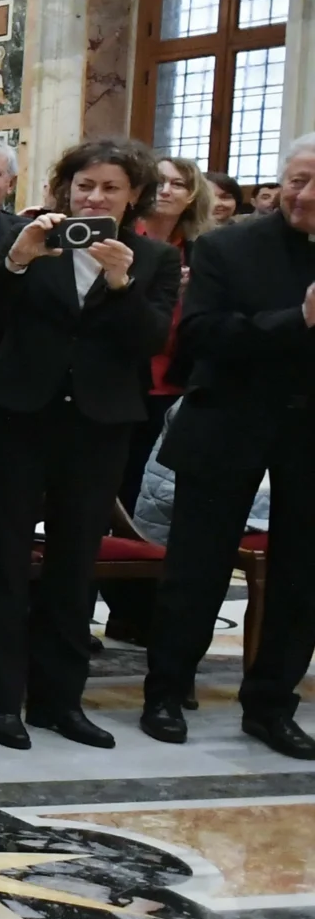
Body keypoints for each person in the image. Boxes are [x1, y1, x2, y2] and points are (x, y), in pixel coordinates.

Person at [0, 138, 180, 749]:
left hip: (99, 423)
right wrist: (14, 263)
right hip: (19, 415)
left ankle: (60, 700)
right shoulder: (32, 240)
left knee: (73, 564)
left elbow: (149, 341)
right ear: (66, 188)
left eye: (110, 188)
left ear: (133, 195)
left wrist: (121, 283)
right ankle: (0, 699)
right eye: (85, 185)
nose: (95, 197)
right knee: (5, 559)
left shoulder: (153, 259)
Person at [142, 137, 315, 758]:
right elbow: (201, 337)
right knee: (196, 569)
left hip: (309, 433)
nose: (305, 194)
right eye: (297, 179)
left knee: (303, 578)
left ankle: (271, 705)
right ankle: (165, 691)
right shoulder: (228, 245)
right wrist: (297, 321)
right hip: (229, 421)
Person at [123, 151, 217, 508]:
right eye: (159, 182)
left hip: (177, 378)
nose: (166, 191)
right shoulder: (126, 238)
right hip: (129, 374)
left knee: (154, 482)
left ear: (192, 195)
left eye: (178, 184)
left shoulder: (204, 249)